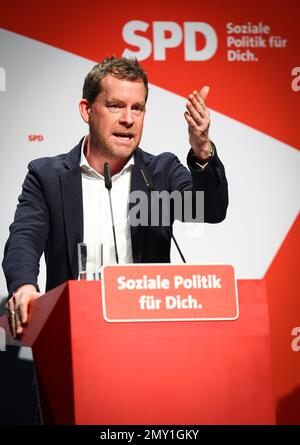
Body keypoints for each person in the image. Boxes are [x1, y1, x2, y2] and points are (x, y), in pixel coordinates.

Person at [2, 56, 228, 337]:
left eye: (138, 108)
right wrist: (24, 286)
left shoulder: (159, 173)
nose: (128, 119)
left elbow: (210, 209)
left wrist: (203, 150)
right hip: (73, 335)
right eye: (115, 106)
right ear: (86, 110)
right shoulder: (47, 176)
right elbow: (25, 238)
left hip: (149, 338)